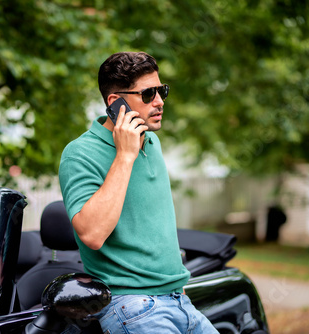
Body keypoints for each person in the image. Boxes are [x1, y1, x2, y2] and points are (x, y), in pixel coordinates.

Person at [58, 52, 218, 333]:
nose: (159, 101)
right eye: (147, 94)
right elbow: (92, 235)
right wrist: (124, 155)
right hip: (133, 307)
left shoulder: (152, 141)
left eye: (162, 90)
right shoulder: (79, 153)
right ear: (115, 103)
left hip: (181, 300)